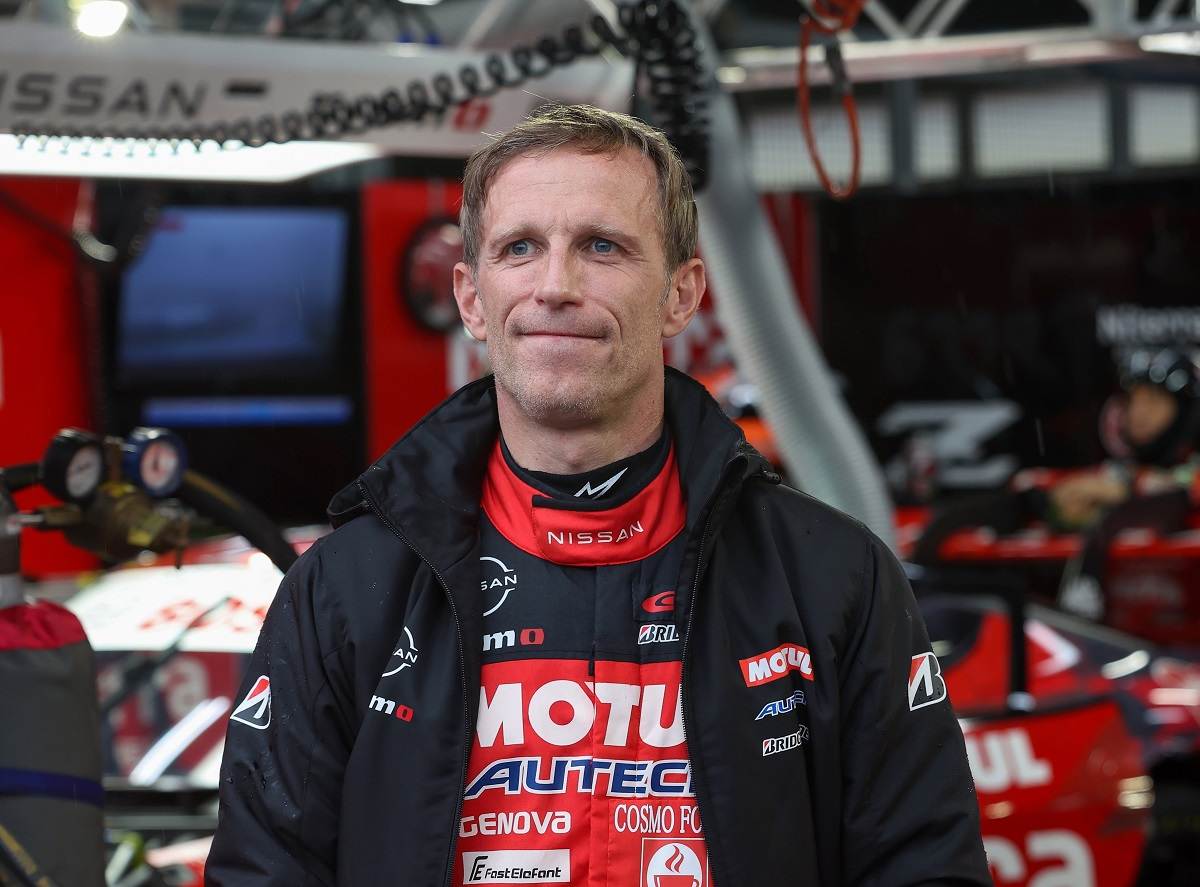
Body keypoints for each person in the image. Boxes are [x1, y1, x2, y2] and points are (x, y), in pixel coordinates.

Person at [206, 104, 989, 886]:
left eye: (602, 246)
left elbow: (926, 867)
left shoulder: (834, 577)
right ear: (471, 298)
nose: (555, 286)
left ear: (681, 293)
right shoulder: (344, 589)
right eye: (520, 247)